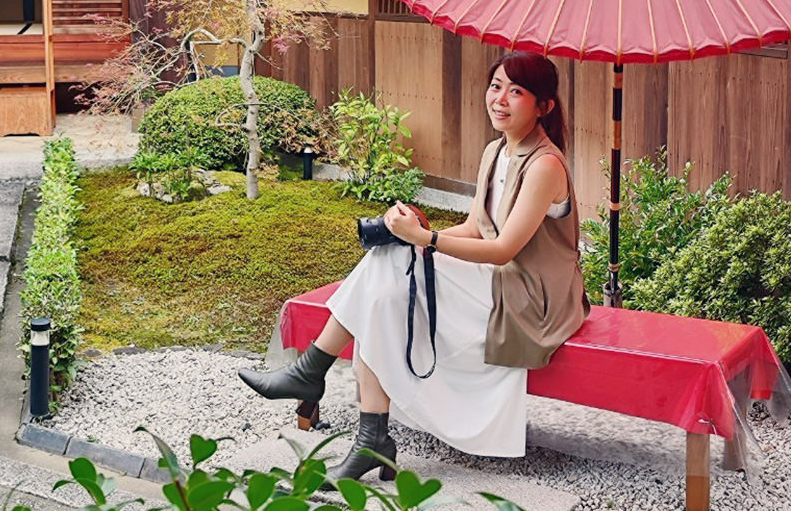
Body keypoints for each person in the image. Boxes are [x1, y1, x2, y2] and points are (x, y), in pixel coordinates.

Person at [238, 53, 589, 482]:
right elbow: (478, 227)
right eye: (495, 86)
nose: (500, 100)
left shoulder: (545, 165)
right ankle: (361, 430)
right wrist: (417, 230)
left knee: (385, 274)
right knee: (384, 281)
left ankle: (321, 382)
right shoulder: (496, 151)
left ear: (543, 106)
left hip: (531, 296)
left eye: (516, 91)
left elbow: (503, 249)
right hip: (497, 280)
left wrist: (424, 241)